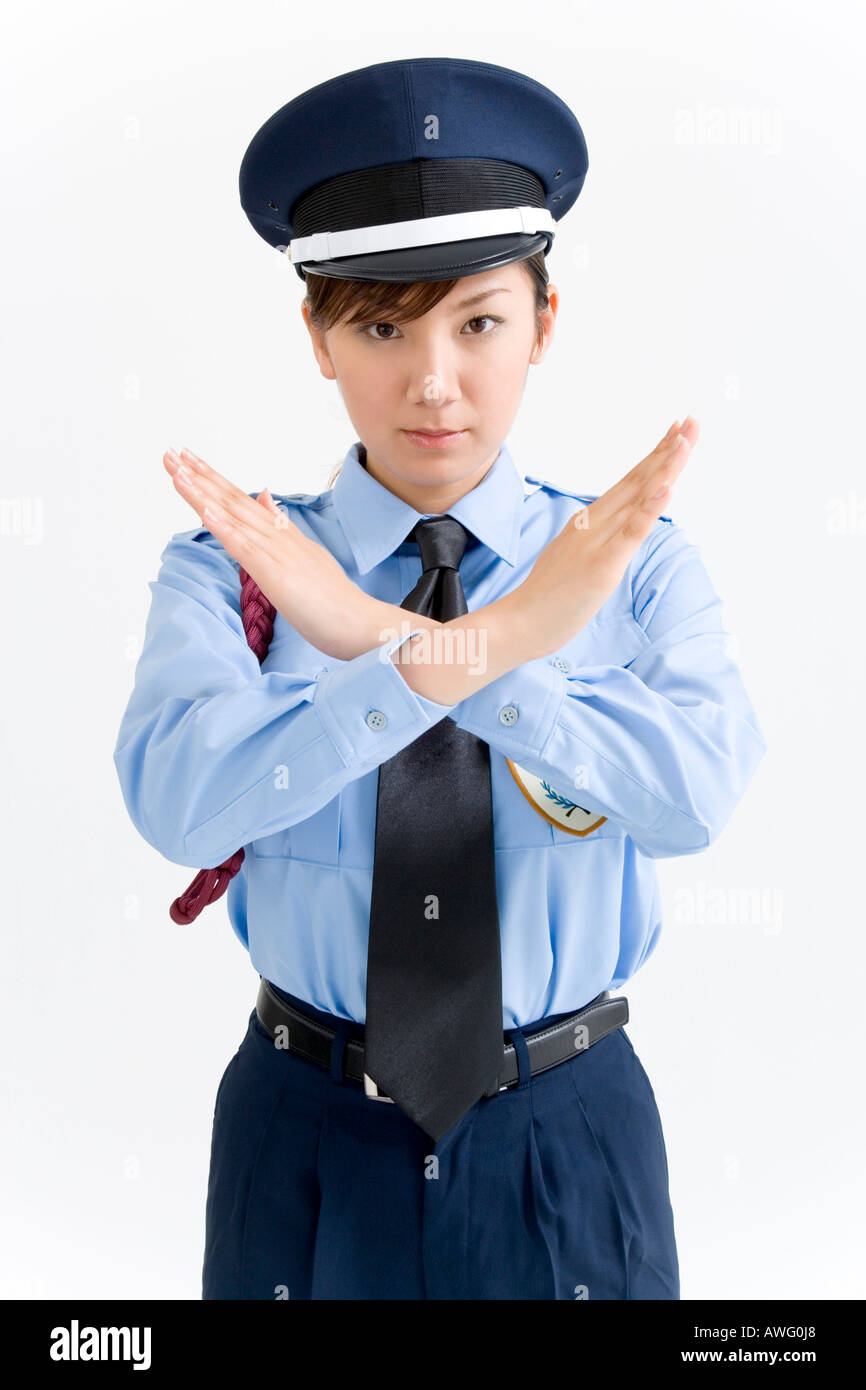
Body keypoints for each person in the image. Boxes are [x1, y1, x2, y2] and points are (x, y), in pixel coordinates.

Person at [113, 57, 767, 1300]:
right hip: (303, 1130)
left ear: (544, 323)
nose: (431, 382)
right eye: (378, 325)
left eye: (477, 321)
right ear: (314, 333)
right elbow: (177, 808)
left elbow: (692, 802)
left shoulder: (623, 562)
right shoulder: (236, 567)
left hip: (564, 1130)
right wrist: (440, 650)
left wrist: (389, 637)